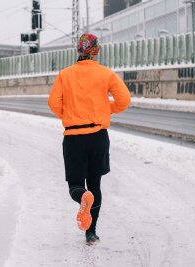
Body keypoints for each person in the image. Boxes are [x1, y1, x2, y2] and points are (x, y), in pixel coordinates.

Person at [47, 33, 131, 244]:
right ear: (96, 50)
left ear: (78, 50)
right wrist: (105, 110)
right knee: (95, 184)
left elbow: (53, 103)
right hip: (98, 137)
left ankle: (81, 196)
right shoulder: (106, 74)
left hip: (74, 137)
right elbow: (124, 100)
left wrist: (70, 115)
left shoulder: (65, 75)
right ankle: (91, 233)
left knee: (76, 184)